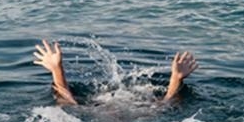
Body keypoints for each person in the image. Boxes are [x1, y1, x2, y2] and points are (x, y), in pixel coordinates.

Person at [33, 40, 199, 106]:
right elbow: (168, 101)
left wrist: (57, 69)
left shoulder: (94, 109)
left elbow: (67, 100)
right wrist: (176, 78)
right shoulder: (146, 109)